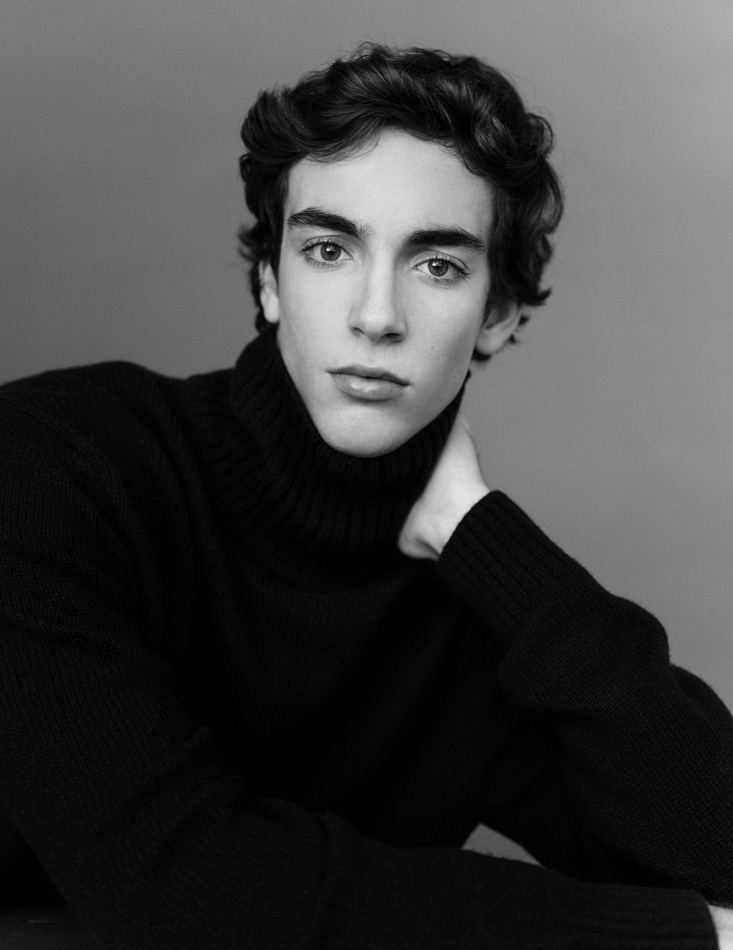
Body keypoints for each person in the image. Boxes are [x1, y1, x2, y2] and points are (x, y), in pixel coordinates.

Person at [1, 42, 732, 950]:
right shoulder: (50, 470)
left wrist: (485, 538)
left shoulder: (469, 623)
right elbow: (184, 890)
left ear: (497, 315)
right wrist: (676, 938)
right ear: (270, 281)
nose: (375, 316)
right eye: (327, 249)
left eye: (437, 265)